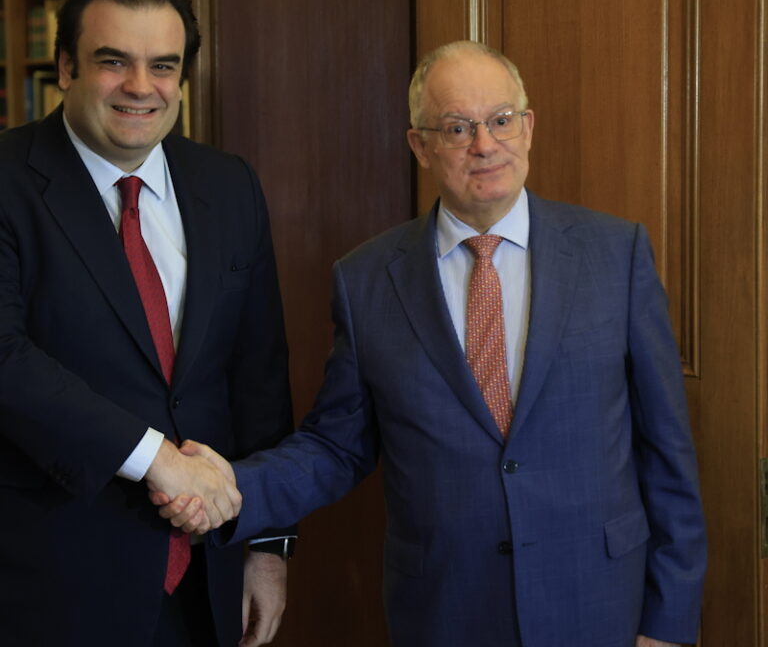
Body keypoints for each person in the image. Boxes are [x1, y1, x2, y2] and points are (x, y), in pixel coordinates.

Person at [160, 40, 707, 647]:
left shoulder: (616, 254)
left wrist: (669, 623)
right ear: (420, 146)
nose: (485, 144)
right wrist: (233, 488)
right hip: (447, 611)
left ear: (528, 128)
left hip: (600, 604)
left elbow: (667, 453)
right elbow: (337, 446)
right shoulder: (366, 279)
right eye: (457, 128)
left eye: (501, 120)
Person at [0, 0, 294, 647]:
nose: (141, 86)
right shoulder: (8, 181)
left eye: (163, 66)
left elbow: (258, 376)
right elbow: (5, 360)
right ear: (66, 67)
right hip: (52, 577)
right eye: (113, 62)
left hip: (208, 574)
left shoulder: (229, 185)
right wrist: (156, 457)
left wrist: (267, 544)